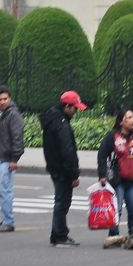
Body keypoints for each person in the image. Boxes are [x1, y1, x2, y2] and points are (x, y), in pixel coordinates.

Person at [97, 108, 133, 244]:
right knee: (117, 209)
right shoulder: (113, 136)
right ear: (121, 121)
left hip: (132, 180)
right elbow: (102, 155)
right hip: (118, 180)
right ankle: (114, 236)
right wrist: (102, 174)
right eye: (129, 117)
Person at [40, 90, 87, 247]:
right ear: (67, 106)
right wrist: (74, 174)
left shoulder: (52, 119)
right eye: (75, 108)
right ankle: (60, 235)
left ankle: (58, 234)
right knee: (62, 203)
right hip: (63, 170)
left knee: (60, 202)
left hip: (54, 167)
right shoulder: (61, 125)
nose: (75, 112)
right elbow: (67, 151)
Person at [0, 85, 24, 233]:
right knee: (0, 190)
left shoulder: (13, 115)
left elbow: (18, 138)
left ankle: (9, 222)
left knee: (5, 190)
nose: (2, 102)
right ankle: (5, 219)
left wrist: (14, 160)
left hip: (7, 158)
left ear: (9, 99)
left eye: (5, 99)